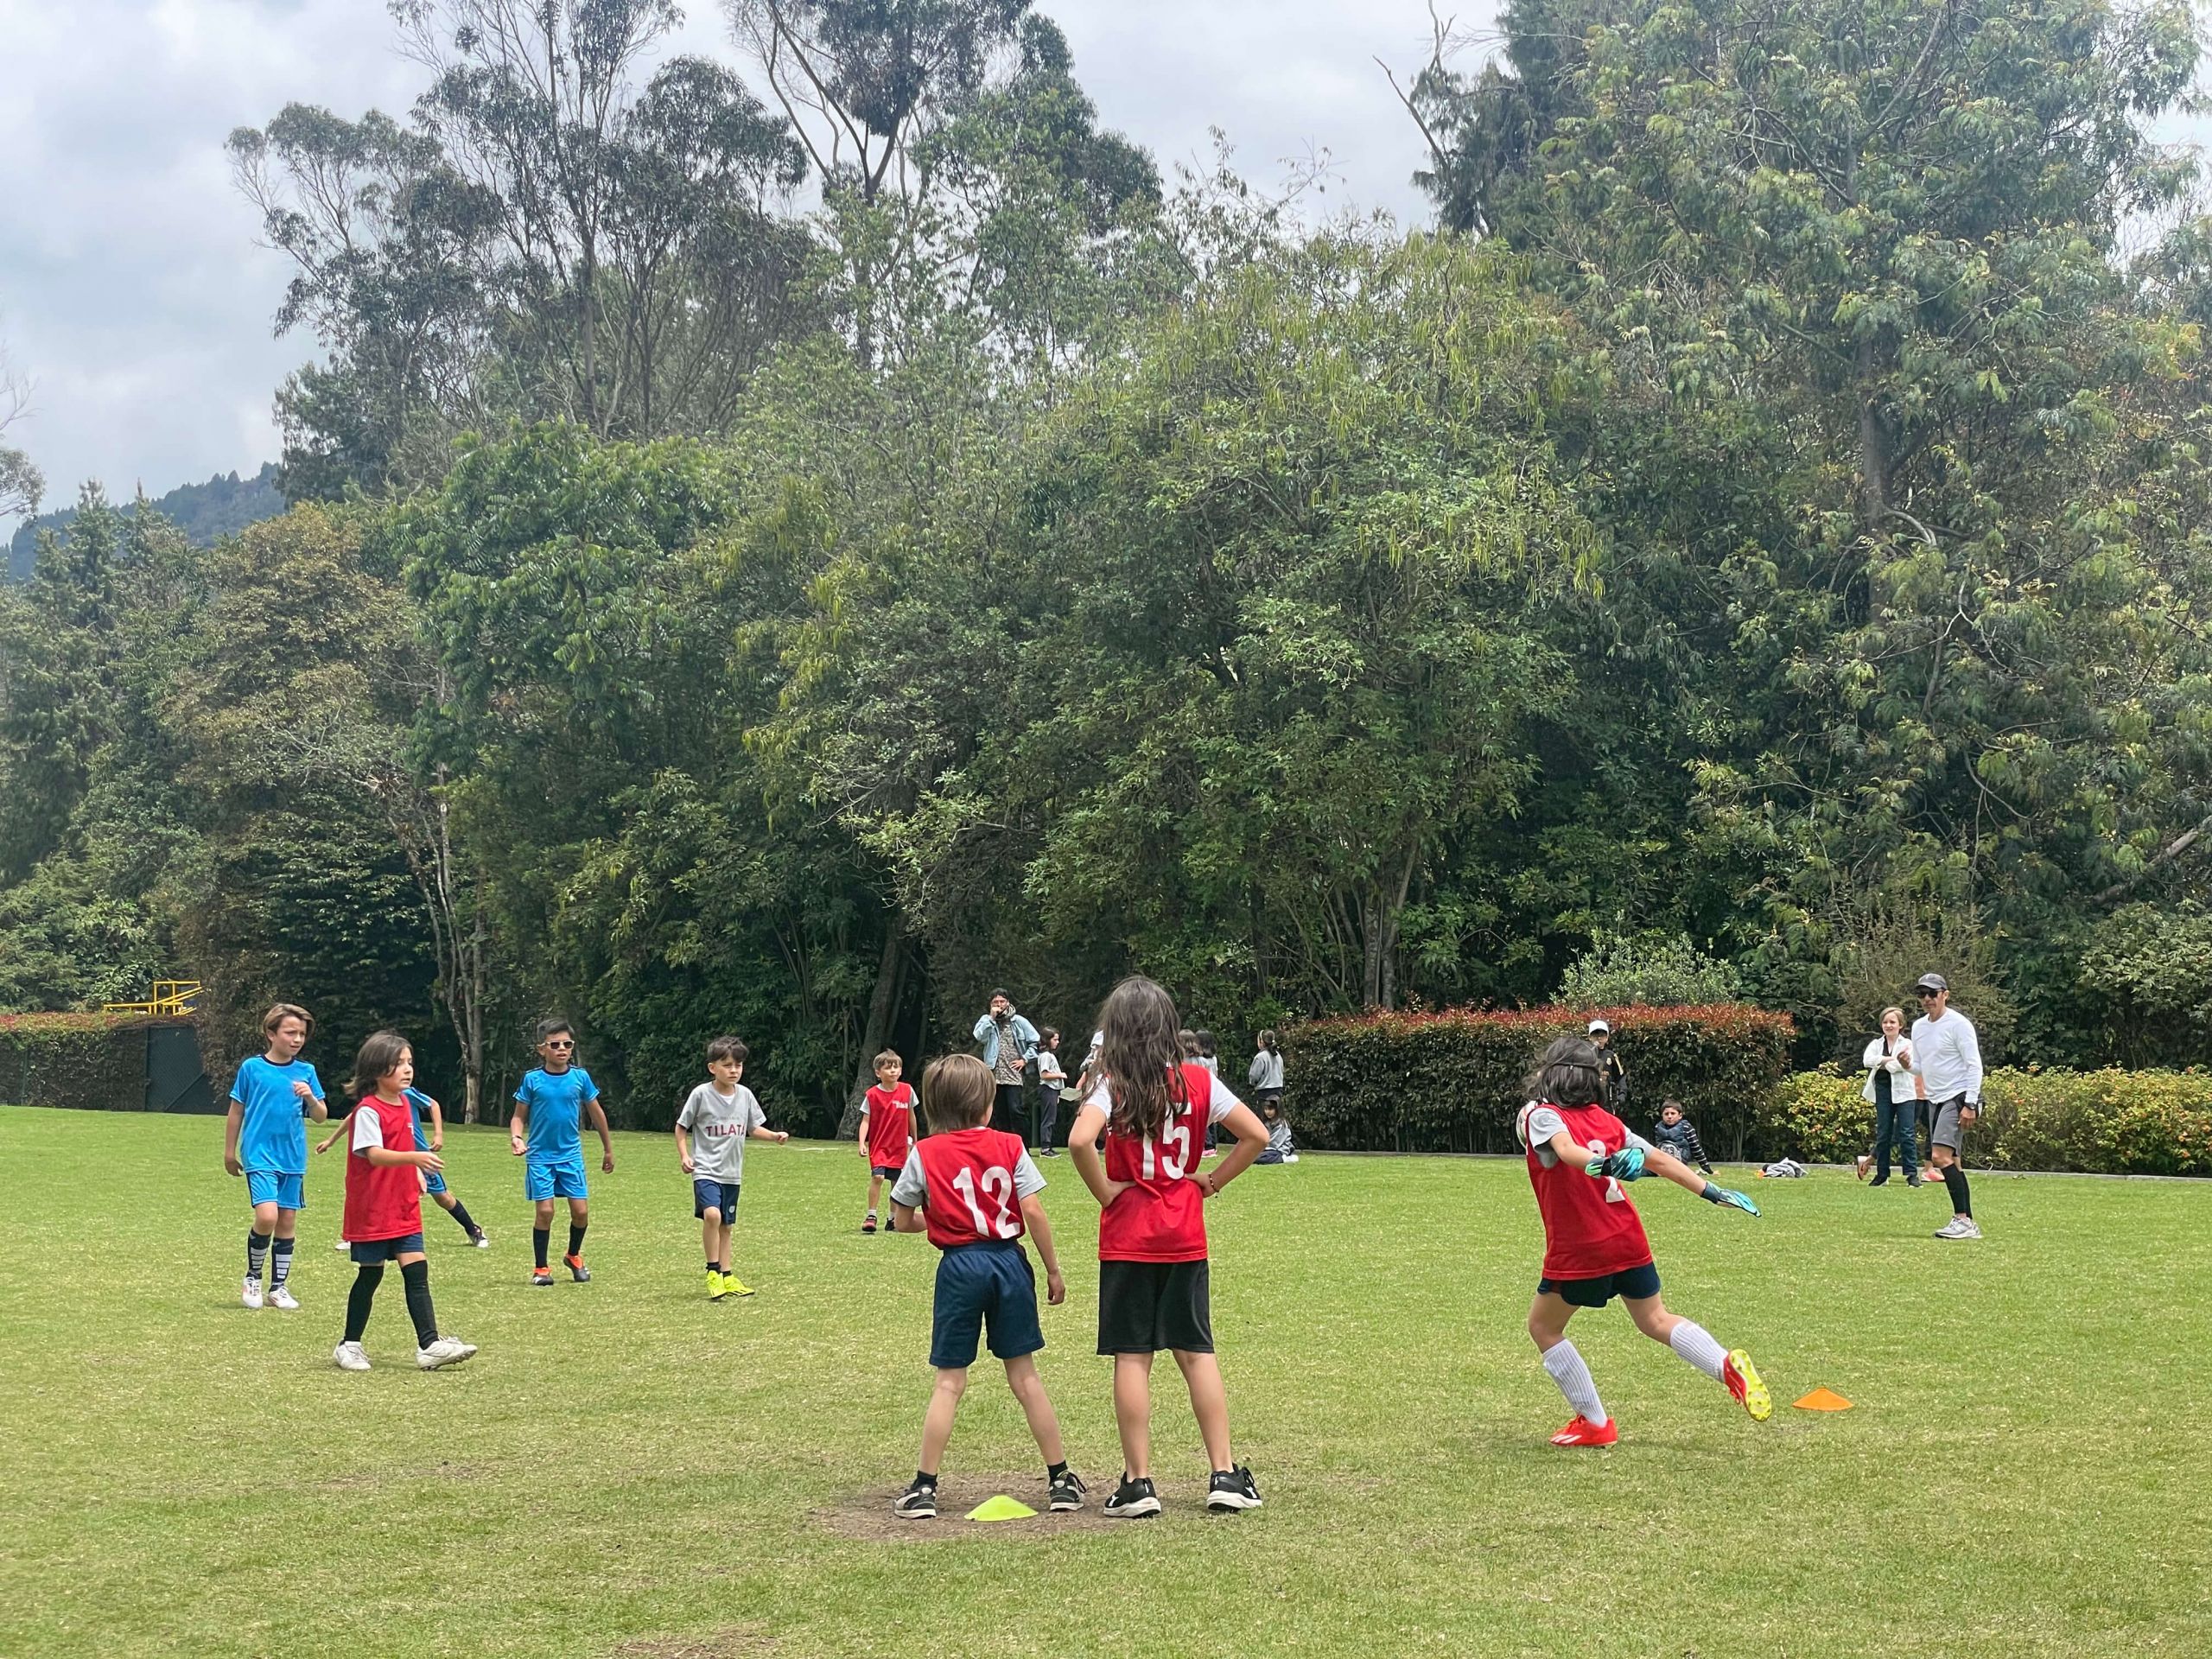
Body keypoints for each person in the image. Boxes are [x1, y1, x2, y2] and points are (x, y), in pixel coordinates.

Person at [1068, 976, 1271, 1518]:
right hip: (1183, 1234)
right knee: (1196, 1352)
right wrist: (1213, 1181)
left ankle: (1138, 1483)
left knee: (1133, 1357)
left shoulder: (1111, 1083)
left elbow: (1080, 1139)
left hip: (1127, 1238)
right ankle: (1224, 1474)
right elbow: (1256, 1135)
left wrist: (1105, 1190)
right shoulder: (1198, 1080)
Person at [1514, 1035, 1770, 1446]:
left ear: (1553, 1074)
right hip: (1627, 1237)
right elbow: (1660, 1160)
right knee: (1655, 1320)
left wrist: (1601, 1163)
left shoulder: (1542, 1115)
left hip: (1583, 1247)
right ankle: (1725, 1365)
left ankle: (1596, 1424)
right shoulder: (1608, 1121)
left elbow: (1565, 1149)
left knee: (1543, 1327)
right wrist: (1711, 1191)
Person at [888, 1054, 1084, 1520]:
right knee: (1025, 1376)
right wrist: (1053, 1270)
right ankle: (1060, 1480)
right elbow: (1032, 1210)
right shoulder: (1010, 1145)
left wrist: (943, 1219)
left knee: (949, 1381)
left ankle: (924, 1487)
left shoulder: (924, 1153)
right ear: (987, 1103)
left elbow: (902, 1221)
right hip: (1008, 1263)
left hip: (958, 1267)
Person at [331, 1031, 476, 1372]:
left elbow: (403, 1143)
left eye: (410, 1062)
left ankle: (430, 1345)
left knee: (417, 1271)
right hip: (373, 1207)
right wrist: (415, 1159)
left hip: (403, 1204)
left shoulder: (405, 1104)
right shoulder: (368, 1110)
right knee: (370, 1276)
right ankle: (349, 1345)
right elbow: (374, 1154)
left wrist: (415, 1173)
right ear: (376, 1069)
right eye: (398, 1064)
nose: (408, 1069)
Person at [225, 1002, 328, 1311]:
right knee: (267, 1216)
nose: (297, 1039)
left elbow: (321, 1116)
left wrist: (310, 1097)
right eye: (290, 1033)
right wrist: (229, 1152)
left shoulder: (306, 1072)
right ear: (271, 1034)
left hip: (293, 1157)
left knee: (287, 1219)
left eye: (302, 1034)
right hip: (259, 1154)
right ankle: (253, 1277)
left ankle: (278, 1287)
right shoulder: (252, 1068)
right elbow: (236, 1111)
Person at [676, 1036, 788, 1299]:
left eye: (738, 1065)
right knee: (712, 1216)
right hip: (705, 1170)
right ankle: (713, 1272)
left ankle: (727, 1276)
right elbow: (681, 1127)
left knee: (726, 1226)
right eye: (727, 1065)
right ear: (712, 1067)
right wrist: (685, 1156)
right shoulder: (701, 1094)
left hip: (732, 1174)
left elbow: (753, 1128)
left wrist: (773, 1136)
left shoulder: (745, 1095)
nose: (734, 1070)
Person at [317, 1082, 490, 1249]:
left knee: (443, 1198)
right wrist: (331, 1140)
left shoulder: (406, 1094)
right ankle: (356, 1238)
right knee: (374, 1193)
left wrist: (438, 1134)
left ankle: (473, 1230)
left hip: (420, 1157)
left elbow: (433, 1105)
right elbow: (355, 1116)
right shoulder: (373, 1100)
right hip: (391, 1156)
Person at [511, 1017, 615, 1287]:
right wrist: (516, 1137)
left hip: (571, 1156)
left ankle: (573, 1255)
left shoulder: (580, 1078)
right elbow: (518, 1116)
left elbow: (597, 1114)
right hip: (540, 1157)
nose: (562, 1049)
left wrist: (607, 1149)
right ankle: (541, 1268)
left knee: (581, 1212)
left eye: (567, 1044)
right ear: (541, 1049)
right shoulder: (532, 1080)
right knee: (545, 1212)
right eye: (554, 1044)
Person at [1910, 975, 1985, 1239]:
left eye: (1933, 993)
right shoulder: (1919, 1027)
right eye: (1922, 994)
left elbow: (1974, 1065)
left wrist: (1970, 1103)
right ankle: (1967, 1223)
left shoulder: (1959, 1025)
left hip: (1959, 1096)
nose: (1927, 999)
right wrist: (1905, 1065)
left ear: (1945, 995)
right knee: (1953, 1161)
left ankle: (1962, 1220)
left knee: (1939, 1157)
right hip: (1936, 1099)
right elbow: (1920, 1066)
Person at [1856, 1007, 1923, 1188]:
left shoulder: (1908, 1044)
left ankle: (1911, 1175)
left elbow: (1904, 1065)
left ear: (1900, 1025)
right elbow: (1867, 1060)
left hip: (1905, 1093)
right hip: (1883, 1092)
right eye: (1885, 1022)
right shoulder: (1876, 1044)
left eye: (1892, 1022)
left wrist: (1883, 1062)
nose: (1888, 1025)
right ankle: (1882, 1175)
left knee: (1907, 1133)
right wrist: (1888, 1060)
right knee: (1883, 1133)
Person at [857, 1048, 917, 1233]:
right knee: (878, 1177)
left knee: (896, 1183)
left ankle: (892, 1220)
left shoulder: (907, 1091)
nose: (893, 1071)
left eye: (896, 1067)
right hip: (880, 1146)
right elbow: (865, 1121)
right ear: (878, 1073)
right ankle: (871, 1216)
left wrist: (915, 1140)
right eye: (888, 1068)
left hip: (899, 1147)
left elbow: (911, 1117)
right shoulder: (872, 1095)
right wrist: (862, 1143)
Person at [972, 990, 1039, 1147]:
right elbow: (979, 1036)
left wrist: (1025, 1059)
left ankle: (1023, 1146)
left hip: (1013, 1073)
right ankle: (1003, 1147)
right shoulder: (986, 1020)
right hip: (994, 1073)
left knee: (1015, 1110)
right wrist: (991, 1018)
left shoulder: (1019, 1021)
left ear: (1008, 1002)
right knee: (999, 1112)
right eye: (995, 1002)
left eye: (1002, 1001)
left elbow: (1036, 1042)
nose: (999, 1005)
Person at [1649, 1100, 1714, 1174]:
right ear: (1662, 1115)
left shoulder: (1686, 1127)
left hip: (1680, 1162)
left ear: (1680, 1116)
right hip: (1661, 1160)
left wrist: (1707, 1169)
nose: (1669, 1116)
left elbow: (1696, 1148)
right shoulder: (1658, 1127)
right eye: (1666, 1114)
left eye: (1673, 1113)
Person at [1034, 1029, 1067, 1157]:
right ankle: (1045, 1148)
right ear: (1047, 1040)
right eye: (1055, 1039)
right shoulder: (1046, 1056)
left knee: (1051, 1118)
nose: (1057, 1042)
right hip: (1048, 1089)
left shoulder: (1049, 1055)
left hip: (1052, 1090)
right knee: (1048, 1119)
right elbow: (1044, 1075)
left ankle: (1048, 1146)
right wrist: (1060, 1075)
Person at [1588, 1019, 1630, 1114]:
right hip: (1589, 1100)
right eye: (1595, 1035)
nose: (1599, 1038)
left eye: (1602, 1035)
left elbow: (1620, 1076)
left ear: (1607, 1037)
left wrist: (1622, 1093)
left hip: (1607, 1101)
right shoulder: (1585, 1055)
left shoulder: (1611, 1055)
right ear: (1590, 1037)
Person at [1247, 1031, 1284, 1115]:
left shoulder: (1260, 1057)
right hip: (1278, 1091)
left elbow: (1254, 1076)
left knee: (1264, 1117)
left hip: (1264, 1093)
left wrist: (1252, 1084)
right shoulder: (1278, 1055)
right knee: (1277, 1116)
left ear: (1261, 1042)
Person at [1255, 1098, 1298, 1165]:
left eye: (1270, 1109)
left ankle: (1284, 1159)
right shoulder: (1266, 1123)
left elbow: (1275, 1143)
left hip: (1278, 1151)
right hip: (1267, 1150)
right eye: (1266, 1109)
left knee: (1259, 1158)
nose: (1268, 1112)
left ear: (1277, 1110)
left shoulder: (1282, 1124)